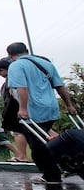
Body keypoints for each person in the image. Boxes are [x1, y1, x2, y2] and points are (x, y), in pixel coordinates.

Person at [6, 42, 77, 184]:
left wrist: (23, 109)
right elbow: (60, 86)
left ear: (10, 55)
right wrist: (69, 105)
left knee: (38, 147)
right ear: (26, 50)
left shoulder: (15, 66)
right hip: (50, 108)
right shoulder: (45, 63)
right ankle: (68, 165)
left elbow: (21, 88)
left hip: (33, 111)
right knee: (48, 141)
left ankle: (52, 176)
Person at [0, 58, 29, 163]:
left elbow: (13, 93)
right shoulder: (15, 77)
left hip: (17, 109)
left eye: (0, 71)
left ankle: (22, 156)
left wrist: (20, 108)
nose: (0, 74)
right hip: (23, 108)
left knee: (18, 132)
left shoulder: (12, 78)